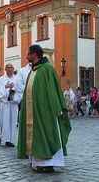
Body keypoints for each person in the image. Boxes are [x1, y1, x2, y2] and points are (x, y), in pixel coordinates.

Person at [17, 44, 71, 174]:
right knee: (37, 136)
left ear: (34, 54)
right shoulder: (34, 70)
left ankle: (49, 164)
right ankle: (39, 163)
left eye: (28, 53)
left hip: (46, 111)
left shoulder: (47, 69)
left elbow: (53, 89)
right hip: (34, 112)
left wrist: (56, 107)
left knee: (47, 134)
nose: (26, 56)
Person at [0, 63, 23, 147]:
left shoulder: (17, 80)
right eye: (8, 67)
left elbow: (21, 91)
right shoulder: (1, 80)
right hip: (4, 104)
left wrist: (14, 92)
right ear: (5, 69)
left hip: (13, 104)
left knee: (12, 121)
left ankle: (9, 140)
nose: (9, 69)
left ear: (13, 69)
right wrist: (6, 87)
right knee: (1, 122)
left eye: (11, 67)